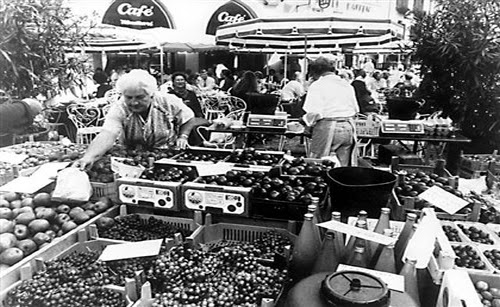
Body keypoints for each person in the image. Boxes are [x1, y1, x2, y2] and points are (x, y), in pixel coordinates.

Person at [73, 70, 197, 170]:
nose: (134, 102)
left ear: (151, 95)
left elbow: (189, 117)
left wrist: (183, 136)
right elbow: (107, 133)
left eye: (140, 97)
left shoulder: (167, 101)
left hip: (165, 155)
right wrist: (88, 157)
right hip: (133, 159)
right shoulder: (120, 107)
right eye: (129, 97)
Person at [302, 57, 359, 166]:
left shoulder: (318, 85)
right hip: (348, 127)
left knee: (319, 164)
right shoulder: (346, 84)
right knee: (343, 167)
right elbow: (356, 109)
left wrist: (304, 121)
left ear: (314, 72)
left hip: (329, 127)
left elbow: (315, 112)